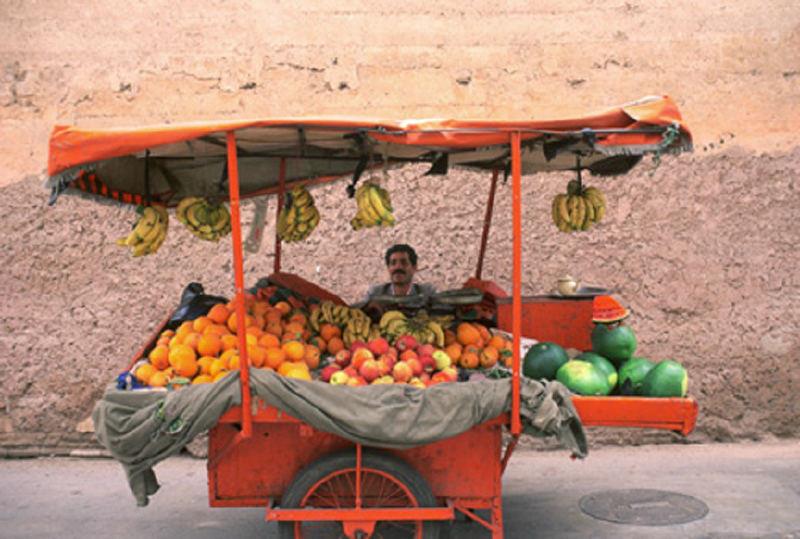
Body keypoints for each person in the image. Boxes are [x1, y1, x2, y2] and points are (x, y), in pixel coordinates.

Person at [360, 244, 436, 317]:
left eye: (404, 262)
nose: (398, 267)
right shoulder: (375, 293)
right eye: (393, 263)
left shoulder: (427, 293)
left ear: (414, 268)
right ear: (388, 268)